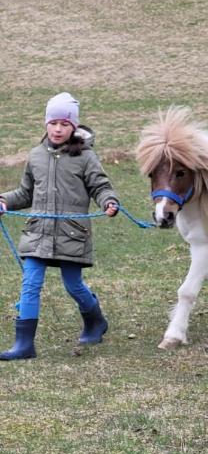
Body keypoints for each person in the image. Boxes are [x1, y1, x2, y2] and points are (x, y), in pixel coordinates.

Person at [0, 93, 119, 360]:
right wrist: (4, 200)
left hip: (71, 234)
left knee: (73, 285)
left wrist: (108, 201)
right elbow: (25, 193)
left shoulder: (86, 157)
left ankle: (95, 320)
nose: (57, 129)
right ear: (46, 124)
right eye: (53, 122)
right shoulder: (36, 156)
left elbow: (100, 187)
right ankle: (24, 344)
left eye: (64, 124)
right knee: (30, 284)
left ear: (74, 127)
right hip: (38, 233)